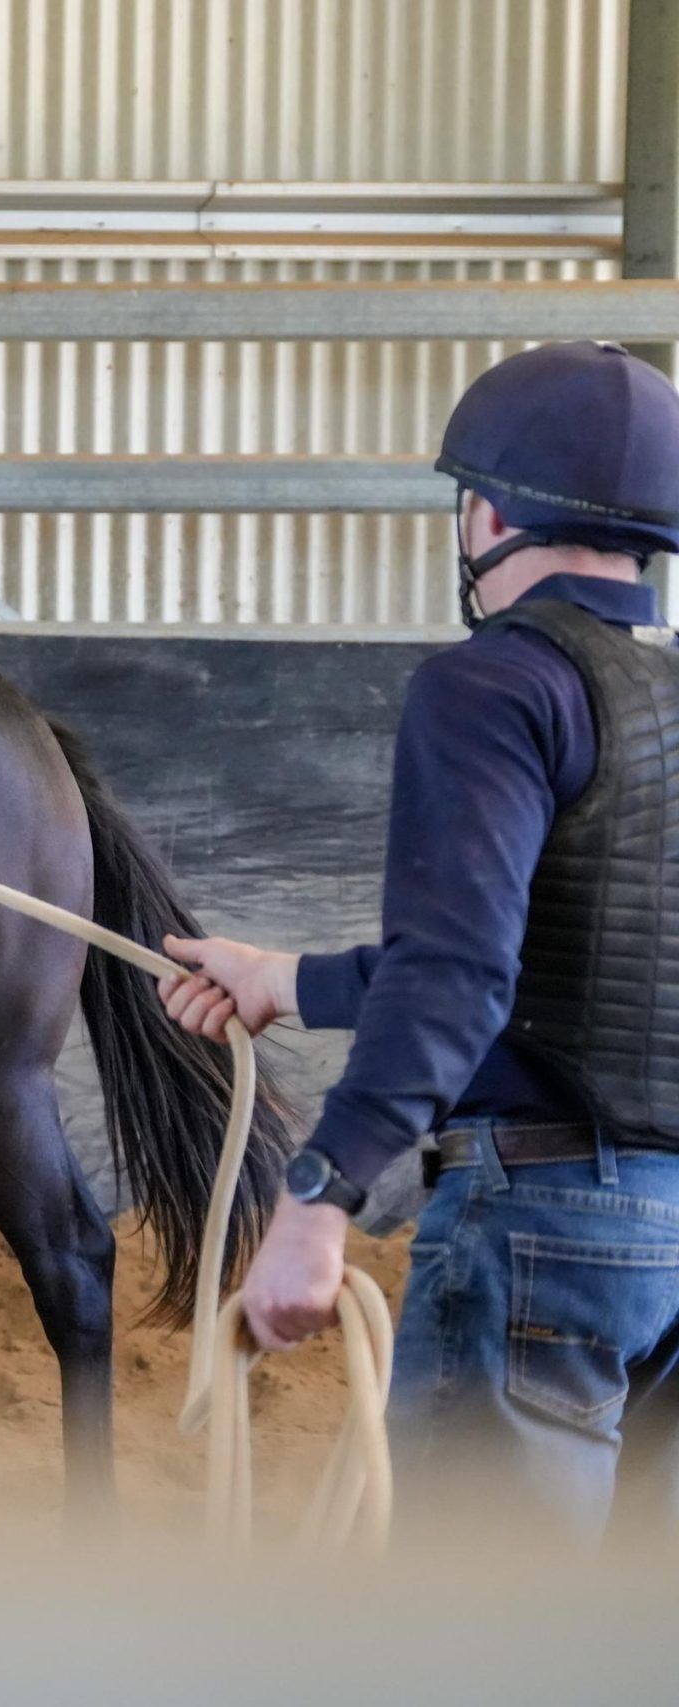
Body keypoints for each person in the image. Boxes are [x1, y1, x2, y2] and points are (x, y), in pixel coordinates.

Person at [158, 341, 679, 1539]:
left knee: (479, 1615)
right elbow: (553, 962)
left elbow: (458, 973)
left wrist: (317, 1195)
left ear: (487, 514)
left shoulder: (493, 686)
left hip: (544, 1224)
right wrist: (285, 981)